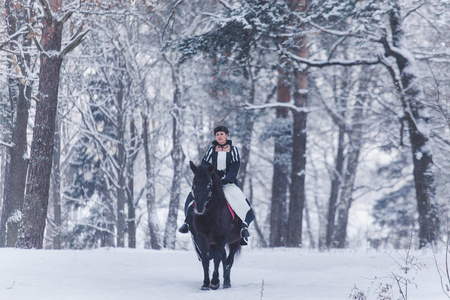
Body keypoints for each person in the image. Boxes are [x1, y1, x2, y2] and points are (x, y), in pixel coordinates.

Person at [179, 125, 255, 243]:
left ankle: (243, 228)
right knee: (193, 196)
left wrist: (227, 178)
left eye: (221, 134)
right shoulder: (211, 150)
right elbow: (204, 165)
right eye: (217, 135)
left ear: (226, 135)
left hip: (227, 182)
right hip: (211, 182)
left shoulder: (233, 150)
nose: (219, 137)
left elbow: (235, 167)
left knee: (240, 201)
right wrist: (205, 177)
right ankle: (187, 223)